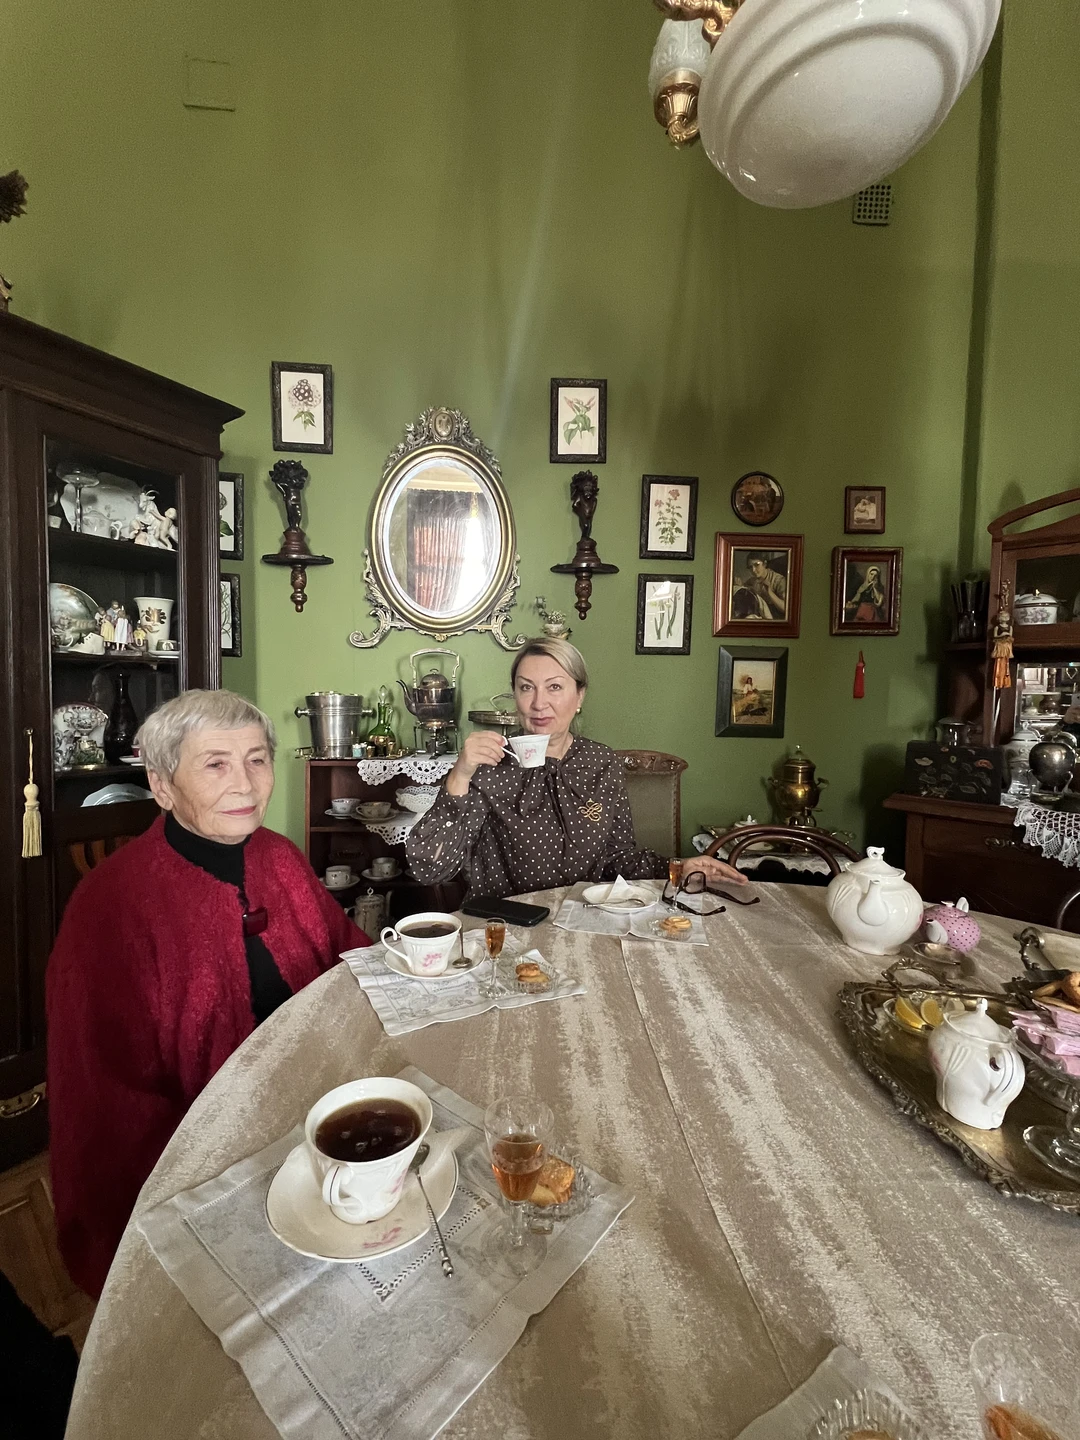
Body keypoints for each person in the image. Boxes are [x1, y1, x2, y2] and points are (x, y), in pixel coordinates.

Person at [46, 689, 367, 1298]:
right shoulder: (110, 906)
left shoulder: (279, 856)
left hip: (319, 1116)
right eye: (215, 763)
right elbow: (104, 1100)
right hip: (214, 1163)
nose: (245, 783)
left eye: (257, 759)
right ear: (163, 785)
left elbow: (348, 953)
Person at [406, 637, 746, 898]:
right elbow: (429, 869)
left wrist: (678, 867)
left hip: (584, 925)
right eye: (526, 688)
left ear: (579, 696)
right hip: (506, 929)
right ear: (515, 694)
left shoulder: (601, 763)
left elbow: (618, 860)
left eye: (555, 687)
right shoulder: (489, 766)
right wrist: (460, 775)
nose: (539, 703)